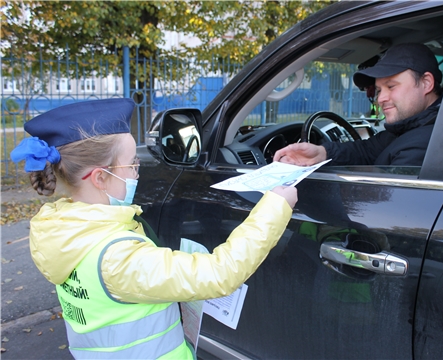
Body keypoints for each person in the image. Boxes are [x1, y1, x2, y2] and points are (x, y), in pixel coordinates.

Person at [10, 98, 297, 359]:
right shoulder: (116, 257)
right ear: (99, 177)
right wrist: (275, 206)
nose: (137, 170)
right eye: (131, 164)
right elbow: (219, 273)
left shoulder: (64, 231)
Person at [274, 43, 443, 167]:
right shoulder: (409, 127)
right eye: (378, 90)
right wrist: (321, 153)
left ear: (426, 83)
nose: (380, 98)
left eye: (391, 86)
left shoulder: (425, 146)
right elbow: (367, 150)